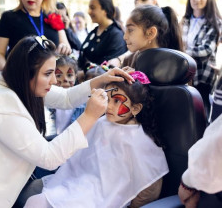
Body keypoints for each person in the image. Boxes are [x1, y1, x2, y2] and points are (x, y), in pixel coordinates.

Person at [0, 35, 134, 207]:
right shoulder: (0, 103)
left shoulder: (18, 83)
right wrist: (89, 116)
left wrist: (102, 79)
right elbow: (49, 157)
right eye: (49, 74)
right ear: (27, 73)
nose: (54, 81)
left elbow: (66, 97)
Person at [23, 71, 168, 208]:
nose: (109, 106)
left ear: (135, 109)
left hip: (106, 197)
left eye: (117, 101)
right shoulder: (101, 122)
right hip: (79, 183)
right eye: (107, 98)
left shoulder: (139, 140)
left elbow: (150, 184)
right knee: (35, 202)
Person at [180, 0, 222, 118]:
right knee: (185, 110)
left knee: (201, 110)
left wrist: (183, 51)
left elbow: (206, 49)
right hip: (184, 73)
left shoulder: (214, 22)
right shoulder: (184, 21)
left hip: (204, 74)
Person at [78, 0, 127, 72]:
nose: (89, 12)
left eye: (93, 8)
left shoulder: (116, 35)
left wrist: (84, 73)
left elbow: (108, 67)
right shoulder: (94, 32)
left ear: (105, 10)